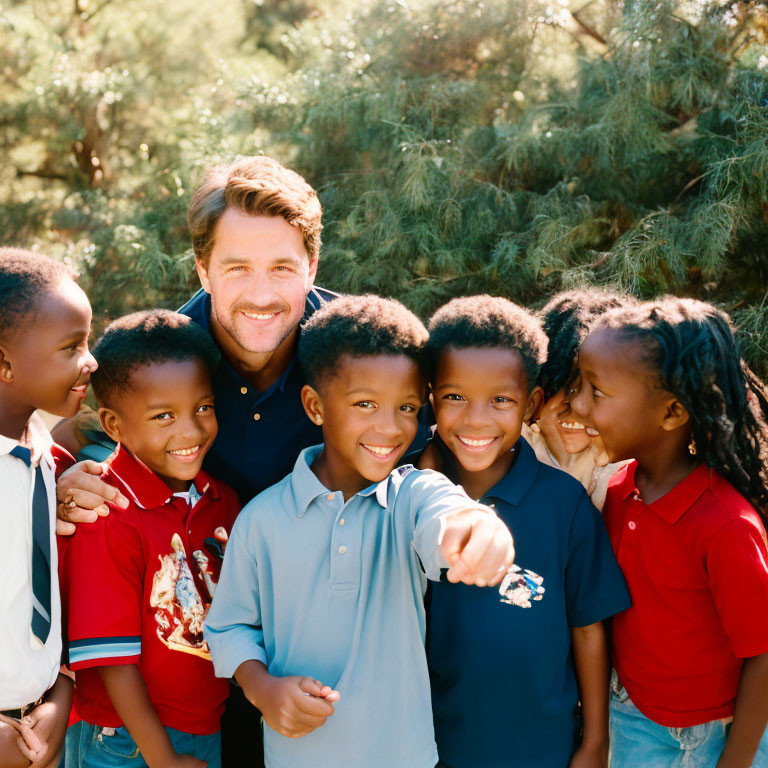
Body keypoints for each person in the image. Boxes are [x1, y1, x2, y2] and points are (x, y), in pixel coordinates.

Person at [203, 295, 516, 768]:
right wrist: (262, 688)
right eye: (365, 404)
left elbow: (449, 515)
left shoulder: (413, 496)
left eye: (408, 408)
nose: (390, 428)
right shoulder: (260, 520)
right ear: (315, 406)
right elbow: (230, 627)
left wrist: (480, 530)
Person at [419, 295, 630, 768]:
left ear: (530, 403)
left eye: (501, 400)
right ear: (431, 397)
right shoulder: (412, 499)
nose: (477, 419)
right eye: (455, 397)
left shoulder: (565, 504)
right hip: (433, 747)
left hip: (544, 748)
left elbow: (589, 628)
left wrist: (594, 741)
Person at [570, 297, 768, 767]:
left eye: (596, 391)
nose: (577, 403)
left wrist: (736, 761)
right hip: (633, 715)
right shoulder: (619, 489)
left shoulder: (725, 526)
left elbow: (764, 653)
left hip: (709, 735)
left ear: (673, 412)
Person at [59, 310, 241, 768]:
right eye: (164, 416)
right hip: (123, 740)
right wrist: (163, 758)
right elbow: (112, 659)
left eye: (203, 407)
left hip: (205, 725)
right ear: (114, 425)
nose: (191, 431)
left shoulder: (222, 501)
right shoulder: (107, 512)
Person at [0, 248, 96, 768]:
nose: (91, 359)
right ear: (3, 362)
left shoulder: (42, 453)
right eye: (71, 346)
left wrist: (59, 691)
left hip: (43, 727)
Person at [525, 288, 632, 510]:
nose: (576, 404)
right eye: (562, 382)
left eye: (595, 389)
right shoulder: (509, 448)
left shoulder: (627, 472)